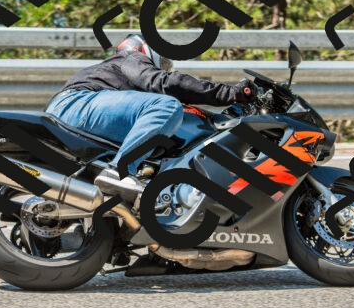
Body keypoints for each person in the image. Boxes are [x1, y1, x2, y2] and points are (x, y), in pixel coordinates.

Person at [44, 33, 258, 191]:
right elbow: (162, 82)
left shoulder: (125, 90)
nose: (163, 68)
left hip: (74, 112)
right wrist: (230, 93)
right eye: (162, 62)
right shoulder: (130, 58)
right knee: (167, 106)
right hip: (76, 105)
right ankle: (119, 172)